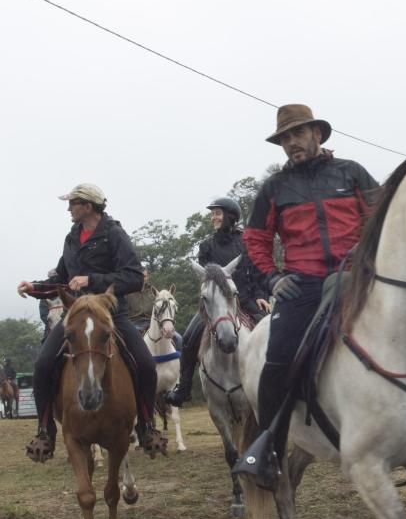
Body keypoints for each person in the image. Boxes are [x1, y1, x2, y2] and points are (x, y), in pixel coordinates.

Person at [233, 103, 382, 489]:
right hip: (304, 284)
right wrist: (271, 278)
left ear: (318, 134)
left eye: (298, 134)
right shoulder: (274, 188)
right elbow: (256, 239)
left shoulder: (351, 173)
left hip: (357, 276)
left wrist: (372, 261)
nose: (291, 143)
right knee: (278, 358)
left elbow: (380, 219)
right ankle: (265, 447)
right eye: (284, 138)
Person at [17, 183, 166, 462]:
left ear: (88, 206)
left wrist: (92, 280)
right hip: (74, 314)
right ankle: (45, 430)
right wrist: (34, 286)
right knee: (42, 365)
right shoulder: (72, 237)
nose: (69, 208)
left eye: (73, 203)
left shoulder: (114, 235)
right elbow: (62, 279)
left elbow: (134, 277)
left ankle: (146, 426)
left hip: (109, 312)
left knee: (145, 365)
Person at [165, 196, 271, 406]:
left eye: (217, 213)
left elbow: (258, 272)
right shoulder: (206, 246)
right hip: (215, 304)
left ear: (230, 217)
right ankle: (183, 389)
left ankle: (274, 385)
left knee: (271, 332)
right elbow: (205, 278)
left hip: (246, 299)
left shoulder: (246, 242)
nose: (213, 217)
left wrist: (261, 295)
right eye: (212, 213)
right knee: (188, 338)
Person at [126, 266, 156, 333]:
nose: (142, 279)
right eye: (139, 276)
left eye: (144, 276)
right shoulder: (128, 292)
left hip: (152, 323)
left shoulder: (153, 292)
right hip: (134, 323)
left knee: (178, 339)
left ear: (148, 277)